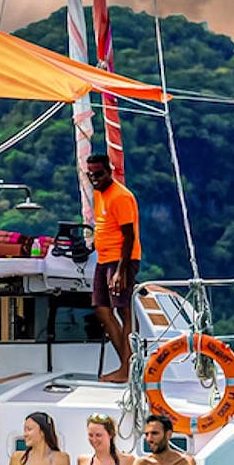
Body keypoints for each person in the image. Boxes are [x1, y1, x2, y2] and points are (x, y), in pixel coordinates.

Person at [87, 153, 141, 383]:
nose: (95, 179)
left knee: (124, 310)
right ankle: (127, 365)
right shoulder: (99, 193)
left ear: (109, 171)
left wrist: (121, 270)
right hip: (103, 258)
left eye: (99, 174)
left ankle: (126, 370)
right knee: (102, 309)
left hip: (121, 260)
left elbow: (129, 235)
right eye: (90, 175)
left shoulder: (120, 196)